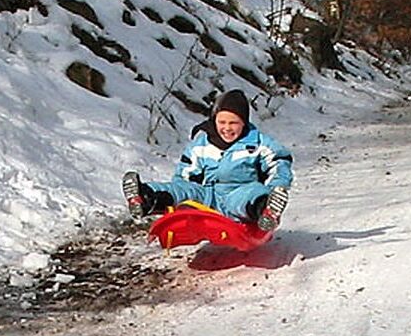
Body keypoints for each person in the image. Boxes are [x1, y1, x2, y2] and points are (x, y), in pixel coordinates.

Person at [122, 89, 293, 231]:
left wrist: (274, 188)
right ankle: (144, 198)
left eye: (233, 123)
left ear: (244, 123)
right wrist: (181, 190)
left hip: (238, 192)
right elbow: (185, 173)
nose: (227, 128)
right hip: (207, 196)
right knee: (180, 191)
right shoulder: (202, 144)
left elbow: (278, 164)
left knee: (251, 194)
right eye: (222, 122)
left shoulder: (257, 143)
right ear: (214, 120)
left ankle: (267, 209)